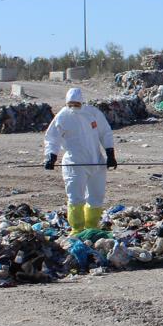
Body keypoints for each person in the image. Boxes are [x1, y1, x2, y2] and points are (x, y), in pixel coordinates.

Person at [43, 87, 116, 234]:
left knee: (96, 196)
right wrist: (51, 155)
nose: (73, 108)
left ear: (82, 102)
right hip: (74, 164)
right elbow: (52, 138)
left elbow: (105, 133)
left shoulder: (93, 113)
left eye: (76, 104)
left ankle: (91, 227)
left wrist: (110, 153)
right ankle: (77, 229)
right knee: (76, 197)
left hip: (96, 161)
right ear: (66, 103)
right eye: (71, 105)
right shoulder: (62, 117)